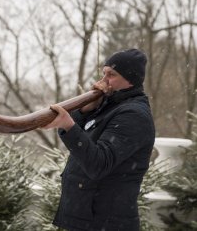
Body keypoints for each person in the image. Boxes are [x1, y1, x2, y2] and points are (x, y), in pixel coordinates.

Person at [44, 48, 155, 231]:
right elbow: (82, 141)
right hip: (89, 219)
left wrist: (69, 125)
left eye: (111, 75)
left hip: (107, 222)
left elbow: (98, 164)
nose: (102, 82)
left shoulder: (133, 114)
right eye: (103, 73)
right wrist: (84, 111)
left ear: (130, 79)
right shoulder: (109, 106)